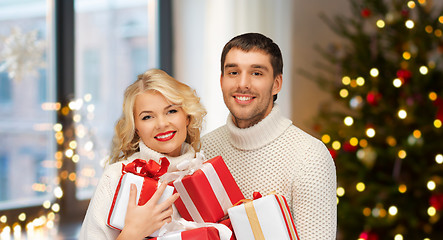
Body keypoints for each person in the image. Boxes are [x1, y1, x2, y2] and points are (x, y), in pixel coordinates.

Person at [201, 33, 337, 239]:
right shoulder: (203, 150)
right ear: (221, 81)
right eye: (233, 72)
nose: (243, 83)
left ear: (276, 84)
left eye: (256, 73)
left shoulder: (310, 157)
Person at [79, 69, 207, 239]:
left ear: (187, 117)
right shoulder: (116, 177)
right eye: (147, 117)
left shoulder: (205, 173)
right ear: (136, 128)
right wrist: (133, 233)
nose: (162, 124)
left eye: (171, 111)